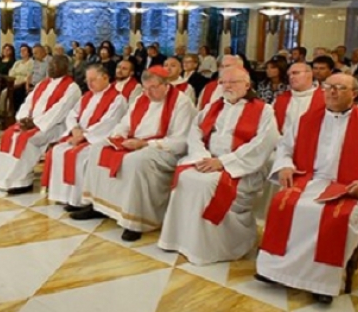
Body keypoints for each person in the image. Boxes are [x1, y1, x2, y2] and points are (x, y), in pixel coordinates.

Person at [256, 74, 358, 303]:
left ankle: (321, 283)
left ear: (354, 93)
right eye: (328, 87)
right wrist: (285, 166)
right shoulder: (306, 119)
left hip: (349, 186)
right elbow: (285, 146)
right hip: (309, 179)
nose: (332, 92)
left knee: (332, 216)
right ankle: (275, 271)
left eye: (340, 88)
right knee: (284, 204)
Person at [158, 67, 279, 265]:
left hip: (241, 168)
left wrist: (223, 162)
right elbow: (195, 132)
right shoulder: (214, 107)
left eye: (234, 82)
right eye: (224, 82)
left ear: (247, 85)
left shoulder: (264, 110)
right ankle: (182, 240)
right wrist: (202, 157)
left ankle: (209, 248)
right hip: (207, 160)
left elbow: (263, 143)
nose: (227, 86)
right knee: (185, 178)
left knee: (206, 185)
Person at [75, 66, 196, 241]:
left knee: (135, 162)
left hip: (164, 149)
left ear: (166, 84)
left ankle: (134, 221)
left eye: (153, 88)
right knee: (97, 149)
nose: (149, 93)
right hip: (135, 142)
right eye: (145, 88)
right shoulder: (141, 98)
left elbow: (181, 141)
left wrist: (145, 144)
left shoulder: (182, 103)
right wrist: (118, 136)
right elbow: (125, 123)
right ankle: (97, 206)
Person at [0, 56, 81, 193]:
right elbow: (28, 102)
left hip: (54, 126)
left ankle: (21, 181)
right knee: (9, 135)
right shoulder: (43, 83)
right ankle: (0, 177)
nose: (50, 68)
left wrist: (35, 123)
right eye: (50, 65)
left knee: (26, 140)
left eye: (55, 65)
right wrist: (23, 118)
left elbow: (60, 110)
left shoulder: (72, 88)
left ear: (65, 68)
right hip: (32, 122)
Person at [44, 65, 127, 210]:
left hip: (98, 140)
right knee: (57, 150)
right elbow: (72, 114)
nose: (89, 84)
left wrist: (84, 136)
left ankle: (81, 200)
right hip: (79, 135)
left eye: (93, 80)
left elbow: (108, 123)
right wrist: (75, 129)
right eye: (87, 80)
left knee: (80, 157)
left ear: (106, 78)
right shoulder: (87, 95)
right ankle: (65, 196)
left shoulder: (117, 99)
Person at [271, 62, 323, 131]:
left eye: (295, 73)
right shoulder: (280, 99)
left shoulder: (325, 99)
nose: (291, 77)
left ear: (309, 74)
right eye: (289, 74)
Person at [5, 43, 35, 110]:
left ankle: (16, 112)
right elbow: (11, 73)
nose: (22, 52)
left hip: (23, 83)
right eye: (21, 50)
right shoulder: (17, 62)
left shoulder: (32, 62)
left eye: (24, 50)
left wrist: (20, 82)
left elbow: (29, 75)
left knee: (17, 92)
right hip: (13, 82)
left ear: (28, 52)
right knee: (4, 92)